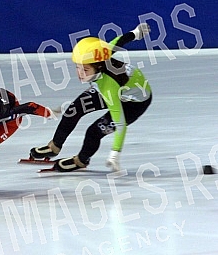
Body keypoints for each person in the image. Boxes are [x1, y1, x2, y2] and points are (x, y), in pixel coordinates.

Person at [30, 23, 153, 172]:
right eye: (78, 67)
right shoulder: (102, 53)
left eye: (85, 69)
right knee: (73, 110)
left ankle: (81, 160)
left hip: (133, 104)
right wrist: (136, 33)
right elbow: (118, 42)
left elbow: (120, 124)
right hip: (119, 87)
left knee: (93, 132)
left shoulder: (108, 88)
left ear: (98, 67)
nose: (80, 73)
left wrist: (115, 152)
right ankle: (54, 146)